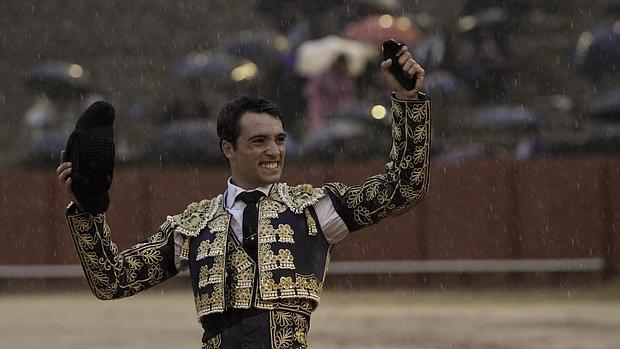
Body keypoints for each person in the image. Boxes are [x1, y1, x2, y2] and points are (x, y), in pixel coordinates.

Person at [56, 45, 429, 348]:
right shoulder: (194, 225)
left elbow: (403, 188)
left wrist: (408, 102)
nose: (274, 151)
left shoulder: (316, 209)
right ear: (228, 148)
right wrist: (87, 208)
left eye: (279, 140)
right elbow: (112, 280)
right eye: (258, 141)